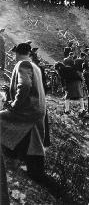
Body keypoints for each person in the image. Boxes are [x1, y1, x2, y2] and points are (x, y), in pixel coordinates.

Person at [0, 43, 47, 183]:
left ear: (17, 53)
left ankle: (8, 155)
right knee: (35, 142)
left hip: (27, 110)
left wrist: (14, 104)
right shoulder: (35, 67)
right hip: (38, 110)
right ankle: (34, 171)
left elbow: (25, 85)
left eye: (14, 54)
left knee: (1, 118)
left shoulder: (22, 64)